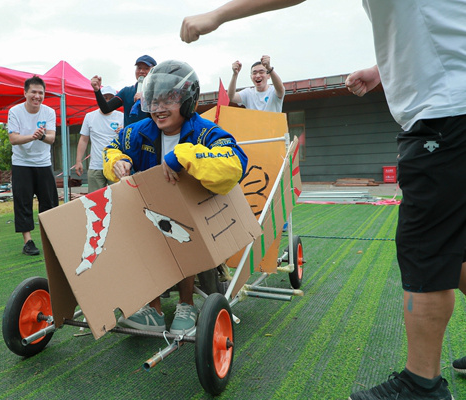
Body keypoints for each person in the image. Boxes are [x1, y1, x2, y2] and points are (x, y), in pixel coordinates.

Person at [181, 1, 466, 399]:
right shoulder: (244, 92)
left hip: (443, 117)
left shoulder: (271, 90)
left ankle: (422, 386)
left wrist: (217, 15)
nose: (258, 76)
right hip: (452, 110)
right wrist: (381, 71)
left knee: (426, 250)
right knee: (459, 249)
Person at [103, 60, 248, 335]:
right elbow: (112, 148)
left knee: (179, 225)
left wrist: (184, 155)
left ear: (187, 99)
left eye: (168, 99)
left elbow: (235, 163)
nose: (158, 108)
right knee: (142, 226)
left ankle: (186, 302)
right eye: (154, 100)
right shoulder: (138, 131)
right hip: (148, 218)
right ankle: (153, 308)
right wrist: (117, 162)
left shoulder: (205, 131)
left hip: (197, 222)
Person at [7, 75, 59, 256]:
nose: (37, 96)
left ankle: (50, 238)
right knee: (23, 202)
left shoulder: (49, 112)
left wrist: (42, 136)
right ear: (25, 93)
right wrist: (33, 136)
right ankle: (28, 241)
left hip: (43, 163)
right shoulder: (15, 111)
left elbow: (51, 138)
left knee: (50, 201)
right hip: (21, 163)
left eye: (41, 93)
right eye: (33, 92)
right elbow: (13, 139)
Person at [73, 86, 124, 193]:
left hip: (116, 165)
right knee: (95, 202)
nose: (108, 101)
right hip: (96, 165)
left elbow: (129, 139)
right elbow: (83, 139)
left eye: (111, 98)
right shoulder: (90, 116)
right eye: (105, 98)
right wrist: (78, 161)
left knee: (117, 199)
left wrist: (123, 132)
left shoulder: (122, 117)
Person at [90, 55, 156, 127]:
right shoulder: (127, 91)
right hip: (131, 136)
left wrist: (145, 99)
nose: (141, 71)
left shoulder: (159, 91)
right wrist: (97, 90)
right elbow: (106, 109)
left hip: (151, 135)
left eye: (146, 68)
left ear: (154, 71)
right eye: (139, 68)